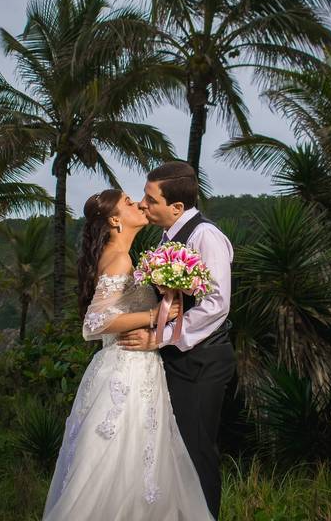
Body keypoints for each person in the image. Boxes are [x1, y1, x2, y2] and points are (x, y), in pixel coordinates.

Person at [42, 188, 215, 521]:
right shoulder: (119, 258)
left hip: (134, 365)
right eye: (128, 202)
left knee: (137, 458)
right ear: (115, 220)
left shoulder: (122, 256)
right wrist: (155, 317)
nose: (138, 203)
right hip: (127, 369)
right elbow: (95, 322)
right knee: (118, 458)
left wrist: (167, 297)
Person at [118, 161, 236, 520]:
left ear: (176, 207)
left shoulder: (206, 237)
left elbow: (217, 305)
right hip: (178, 360)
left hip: (202, 361)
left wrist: (159, 337)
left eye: (150, 199)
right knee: (173, 451)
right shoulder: (168, 237)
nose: (143, 204)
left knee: (196, 451)